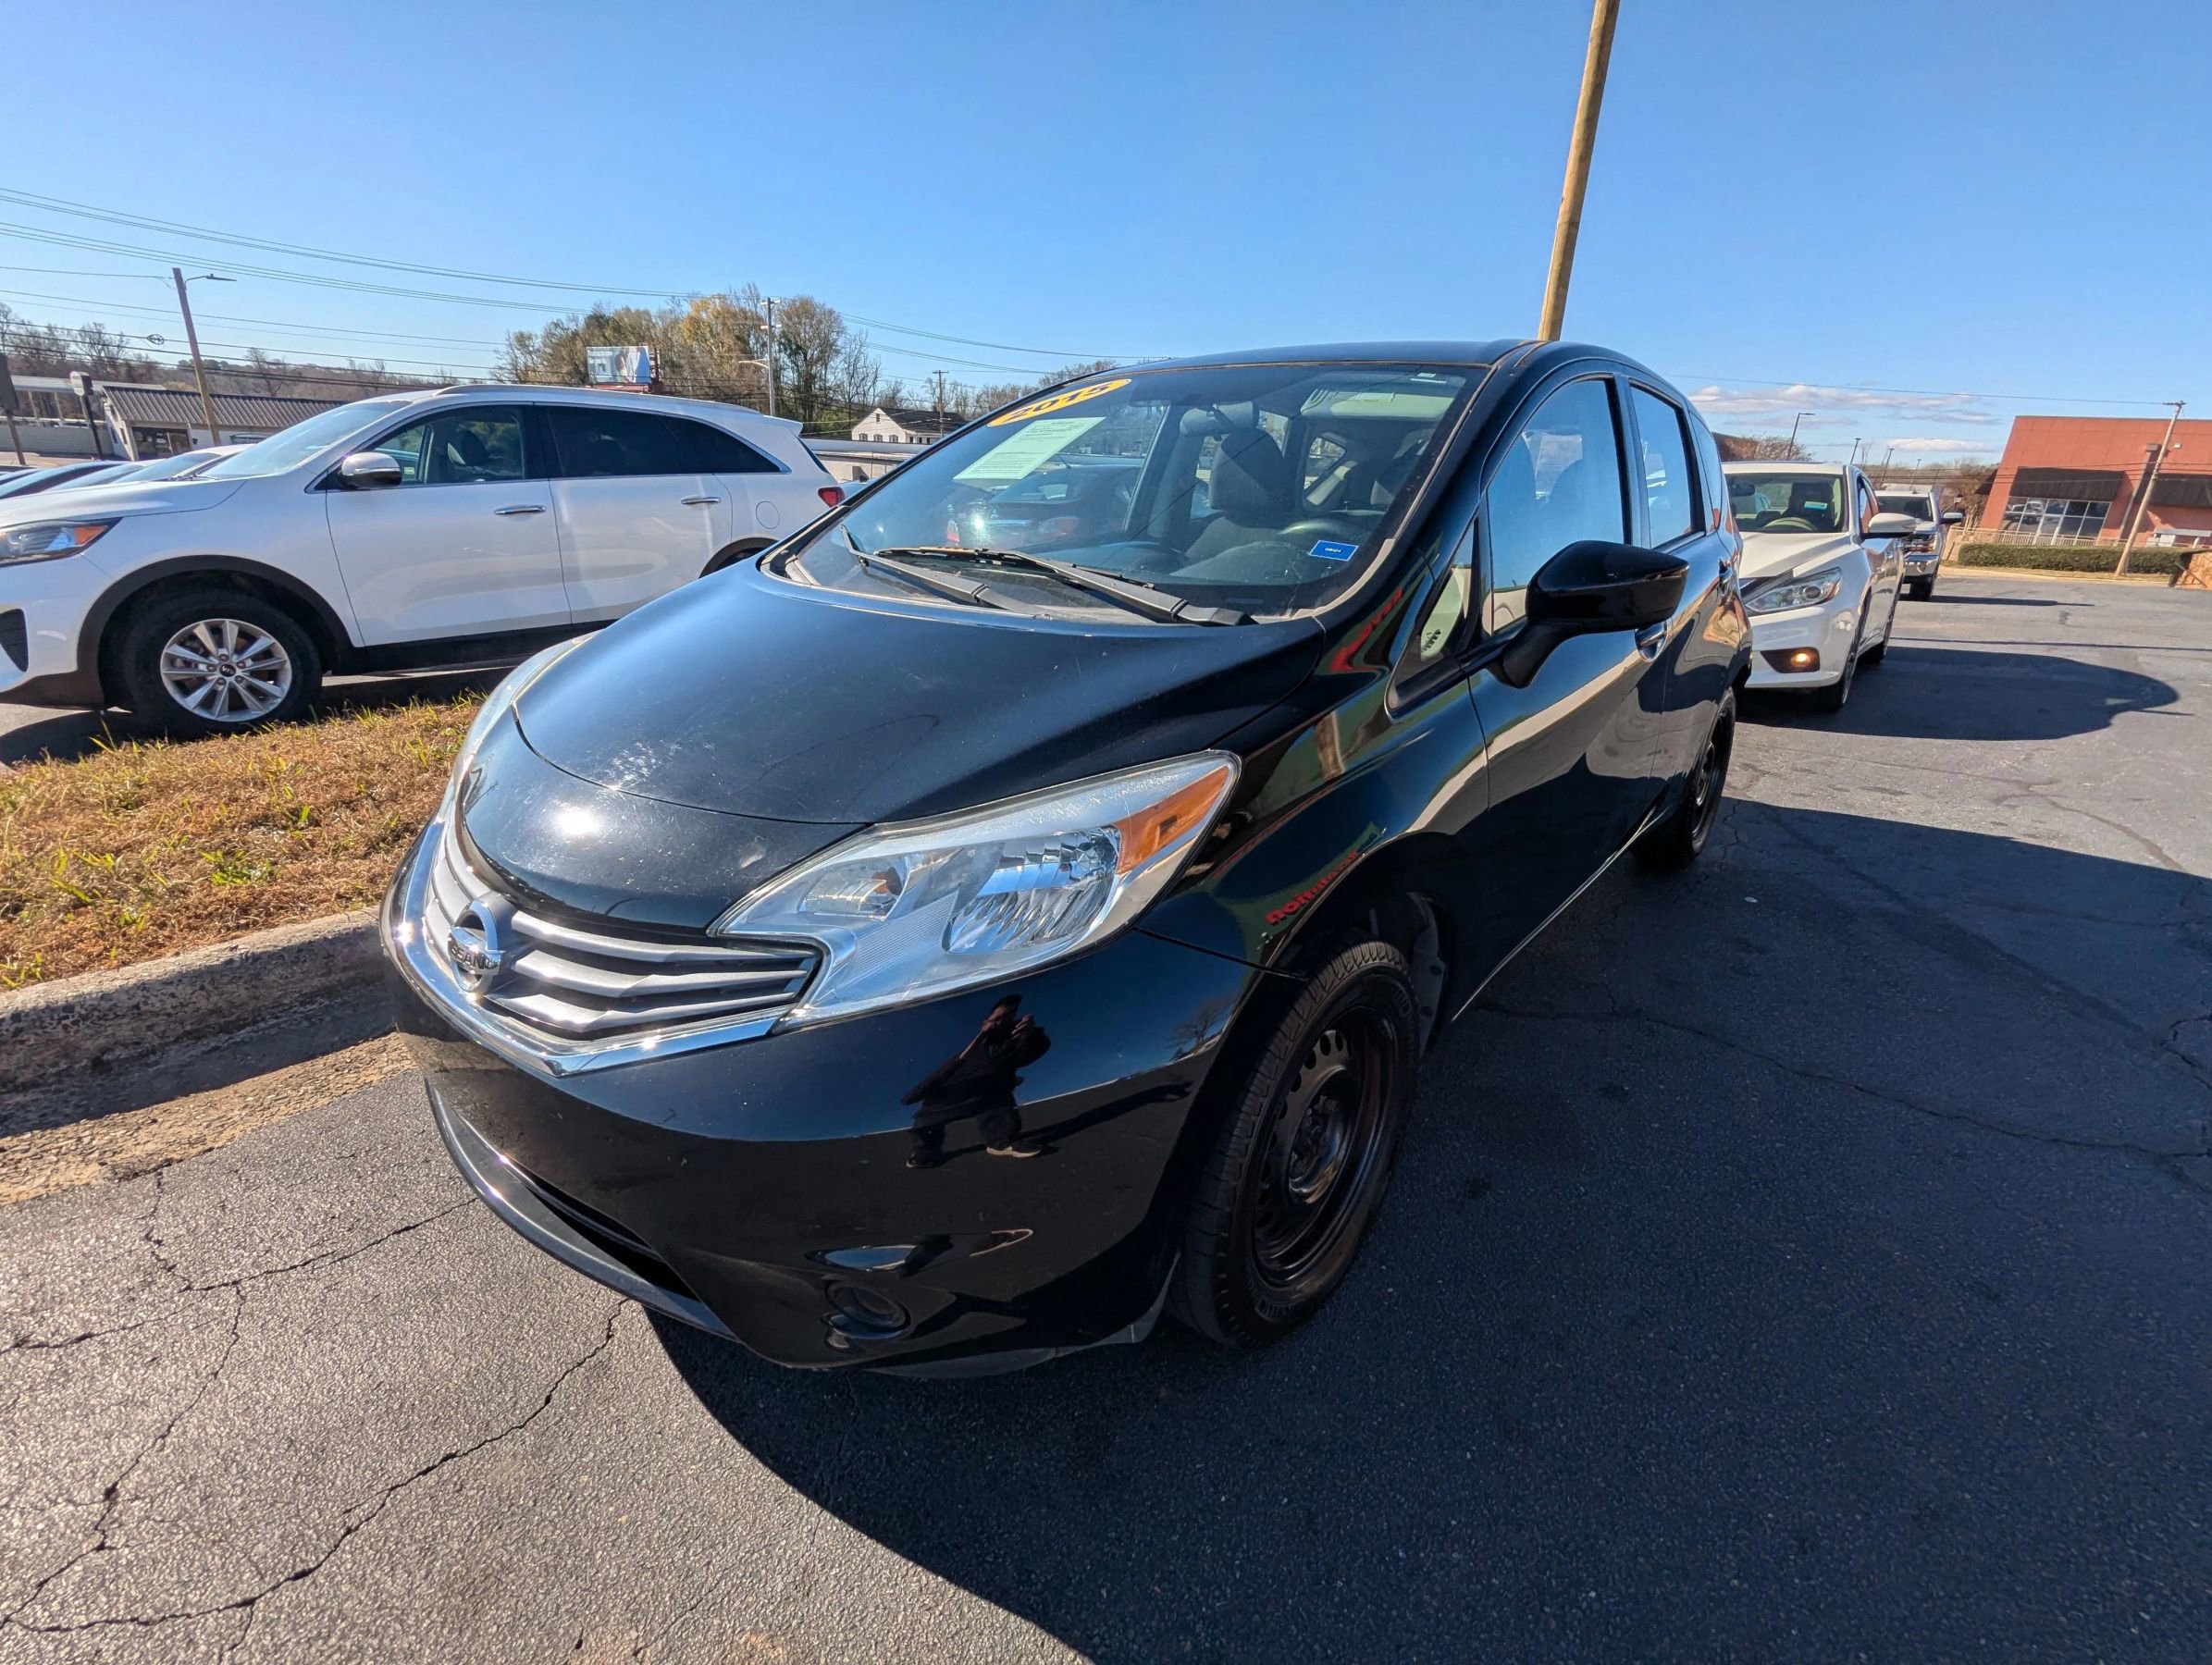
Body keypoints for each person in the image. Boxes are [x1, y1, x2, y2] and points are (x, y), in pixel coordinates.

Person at [901, 995, 1053, 1166]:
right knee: (929, 1116)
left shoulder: (1014, 1042)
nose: (999, 1023)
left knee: (998, 1097)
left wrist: (1029, 1036)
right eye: (995, 1019)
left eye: (1007, 1017)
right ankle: (926, 1149)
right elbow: (941, 1074)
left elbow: (1028, 1057)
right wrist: (917, 1094)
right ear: (985, 1022)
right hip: (952, 1092)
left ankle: (1002, 1141)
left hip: (989, 1093)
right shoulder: (969, 1052)